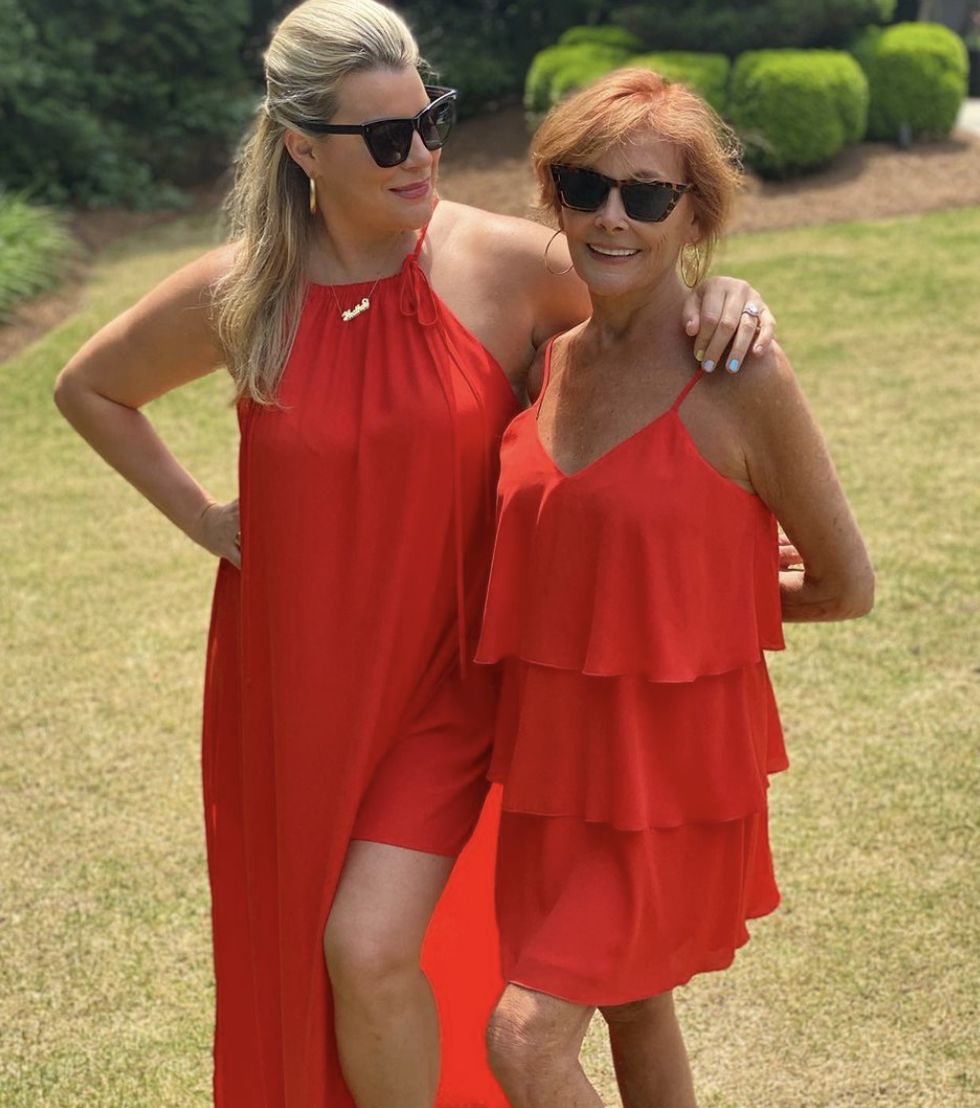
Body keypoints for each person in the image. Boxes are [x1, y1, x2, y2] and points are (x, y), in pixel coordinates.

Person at [51, 2, 778, 1105]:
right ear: (302, 147)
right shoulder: (242, 290)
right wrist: (204, 516)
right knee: (320, 955)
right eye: (387, 138)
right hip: (298, 681)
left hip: (461, 674)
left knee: (371, 948)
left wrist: (727, 295)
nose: (424, 153)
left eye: (429, 121)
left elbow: (648, 314)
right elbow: (90, 388)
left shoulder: (499, 263)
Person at [475, 67, 875, 1108]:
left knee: (524, 1041)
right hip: (557, 774)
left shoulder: (739, 376)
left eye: (647, 196)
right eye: (584, 185)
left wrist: (716, 594)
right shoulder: (547, 363)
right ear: (550, 193)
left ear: (693, 214)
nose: (612, 215)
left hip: (666, 786)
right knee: (633, 1003)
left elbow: (843, 584)